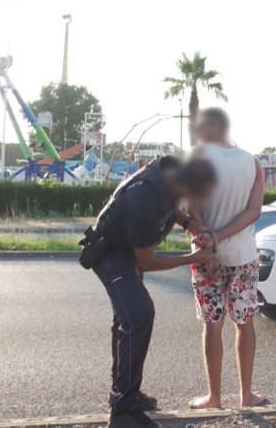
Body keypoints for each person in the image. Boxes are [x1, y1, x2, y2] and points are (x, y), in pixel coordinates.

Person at [91, 156, 216, 428]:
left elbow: (173, 209)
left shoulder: (171, 175)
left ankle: (126, 394)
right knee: (138, 315)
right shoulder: (144, 200)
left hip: (126, 249)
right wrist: (193, 258)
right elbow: (146, 261)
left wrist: (189, 224)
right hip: (111, 254)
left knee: (129, 319)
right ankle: (123, 413)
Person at [187, 107, 267, 410]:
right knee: (244, 323)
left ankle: (215, 398)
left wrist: (209, 239)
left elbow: (192, 209)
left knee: (212, 324)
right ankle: (247, 395)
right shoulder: (252, 162)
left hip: (208, 255)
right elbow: (253, 212)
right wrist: (221, 235)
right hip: (244, 256)